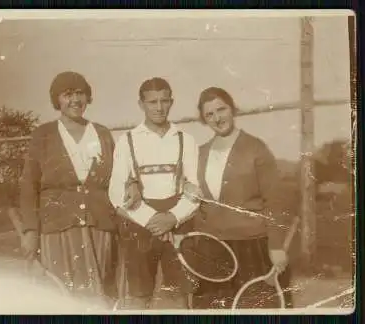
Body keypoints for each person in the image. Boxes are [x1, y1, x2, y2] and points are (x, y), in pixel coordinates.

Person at [18, 71, 121, 307]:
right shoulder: (43, 135)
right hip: (58, 229)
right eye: (67, 94)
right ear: (57, 100)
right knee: (63, 299)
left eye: (80, 93)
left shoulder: (103, 134)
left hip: (100, 228)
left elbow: (117, 179)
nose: (75, 100)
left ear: (88, 97)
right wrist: (30, 231)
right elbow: (28, 187)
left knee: (100, 298)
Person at [187, 86, 293, 309]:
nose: (217, 118)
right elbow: (190, 190)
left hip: (251, 248)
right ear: (204, 120)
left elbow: (275, 200)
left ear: (232, 109)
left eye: (221, 109)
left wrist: (276, 246)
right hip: (213, 250)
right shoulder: (200, 152)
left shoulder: (256, 148)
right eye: (209, 114)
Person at [108, 77, 201, 309]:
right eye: (152, 102)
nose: (159, 107)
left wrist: (172, 218)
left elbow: (195, 190)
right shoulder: (127, 140)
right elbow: (116, 193)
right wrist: (152, 221)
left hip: (178, 224)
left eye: (164, 101)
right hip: (141, 226)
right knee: (139, 296)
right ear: (141, 104)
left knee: (180, 295)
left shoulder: (185, 140)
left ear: (172, 102)